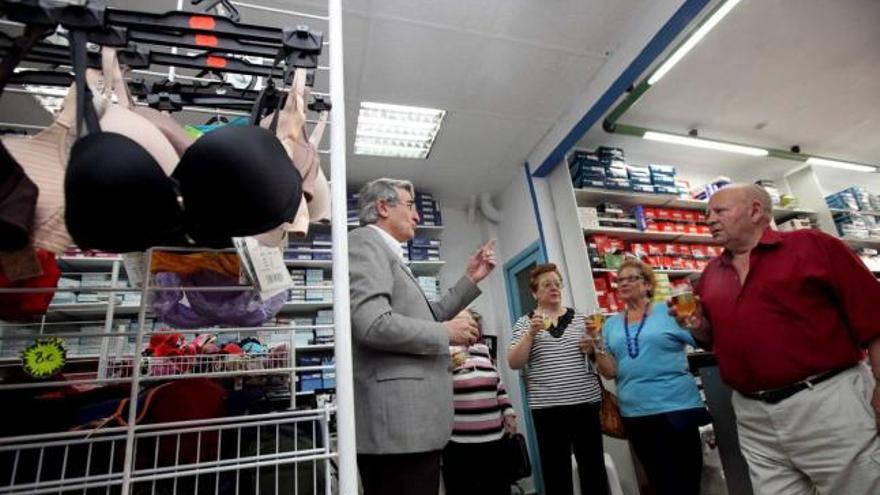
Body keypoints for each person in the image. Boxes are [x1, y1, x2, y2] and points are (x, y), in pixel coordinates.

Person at [671, 183, 880, 495]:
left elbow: (875, 318)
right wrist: (698, 326)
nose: (709, 219)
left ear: (756, 210)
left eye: (720, 211)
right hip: (752, 413)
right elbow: (713, 340)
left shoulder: (813, 245)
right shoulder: (711, 273)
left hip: (826, 401)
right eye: (707, 213)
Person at [348, 178, 497, 495]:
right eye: (410, 205)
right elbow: (372, 323)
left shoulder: (390, 255)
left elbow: (428, 315)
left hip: (410, 428)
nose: (417, 216)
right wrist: (445, 333)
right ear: (383, 207)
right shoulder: (364, 243)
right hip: (398, 431)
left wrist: (471, 278)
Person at [583, 258, 707, 495]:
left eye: (632, 278)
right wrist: (597, 345)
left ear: (648, 285)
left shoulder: (670, 311)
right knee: (659, 482)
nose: (623, 284)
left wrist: (696, 321)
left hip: (677, 407)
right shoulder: (611, 325)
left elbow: (703, 339)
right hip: (636, 412)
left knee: (687, 482)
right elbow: (611, 371)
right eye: (620, 280)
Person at [508, 263, 608, 495]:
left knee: (593, 469)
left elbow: (601, 360)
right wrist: (531, 335)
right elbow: (514, 363)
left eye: (557, 283)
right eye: (546, 284)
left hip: (586, 404)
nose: (554, 288)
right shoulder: (524, 323)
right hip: (547, 409)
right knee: (556, 474)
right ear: (534, 293)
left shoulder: (583, 319)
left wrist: (593, 349)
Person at [442, 308, 518, 495]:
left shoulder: (483, 350)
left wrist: (508, 412)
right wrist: (445, 368)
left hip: (495, 439)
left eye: (470, 322)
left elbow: (497, 382)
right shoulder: (442, 353)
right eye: (460, 320)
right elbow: (432, 389)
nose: (467, 325)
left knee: (498, 489)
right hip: (459, 442)